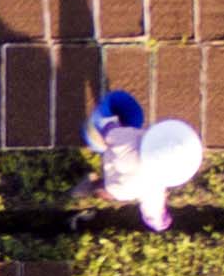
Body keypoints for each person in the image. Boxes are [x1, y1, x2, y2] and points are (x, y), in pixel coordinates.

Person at [73, 89, 204, 231]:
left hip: (114, 159)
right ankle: (93, 186)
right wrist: (158, 221)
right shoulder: (155, 188)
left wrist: (109, 124)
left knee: (104, 130)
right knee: (109, 192)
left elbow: (108, 130)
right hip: (120, 187)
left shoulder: (128, 139)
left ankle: (93, 183)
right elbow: (153, 208)